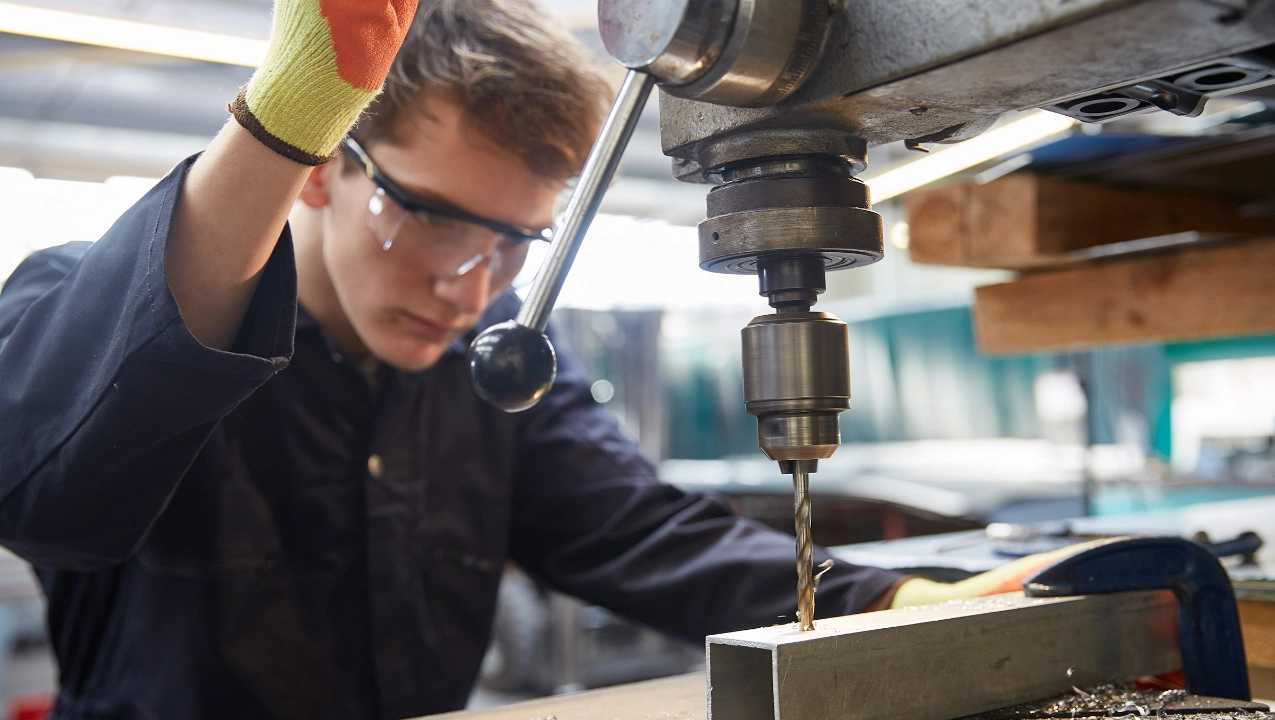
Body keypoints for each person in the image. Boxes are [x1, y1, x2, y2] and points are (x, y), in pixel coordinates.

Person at [0, 0, 1072, 718]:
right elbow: (45, 488)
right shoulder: (92, 304)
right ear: (323, 169)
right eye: (426, 218)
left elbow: (641, 534)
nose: (469, 284)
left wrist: (889, 604)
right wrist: (281, 122)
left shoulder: (489, 366)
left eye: (513, 239)